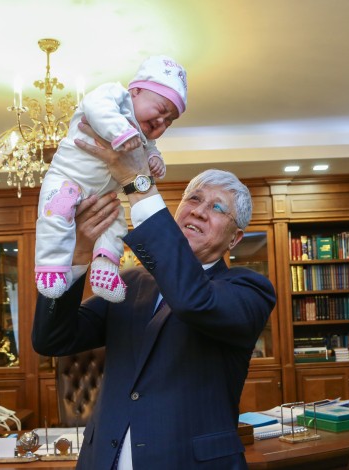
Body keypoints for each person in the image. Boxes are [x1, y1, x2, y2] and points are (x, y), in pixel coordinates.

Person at [32, 124, 276, 469]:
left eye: (218, 208)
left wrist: (138, 183)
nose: (199, 210)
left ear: (234, 239)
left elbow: (192, 299)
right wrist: (78, 255)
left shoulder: (249, 289)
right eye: (194, 199)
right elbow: (53, 338)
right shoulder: (130, 282)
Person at [35, 55, 188, 303]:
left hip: (104, 196)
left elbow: (150, 148)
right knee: (56, 215)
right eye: (161, 110)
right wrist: (121, 132)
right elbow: (96, 107)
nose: (162, 121)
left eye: (169, 121)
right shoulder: (114, 96)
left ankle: (105, 269)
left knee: (115, 224)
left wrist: (154, 159)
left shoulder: (143, 136)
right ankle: (51, 266)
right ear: (135, 91)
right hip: (67, 180)